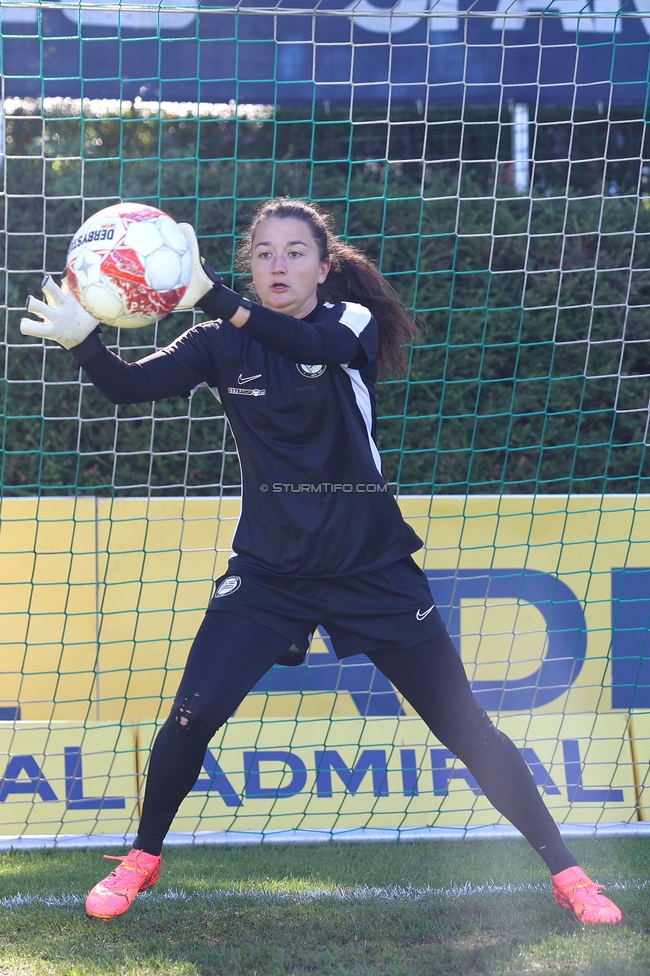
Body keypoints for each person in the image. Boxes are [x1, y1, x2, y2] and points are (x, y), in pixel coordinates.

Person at [21, 198, 622, 926]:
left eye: (295, 252)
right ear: (250, 261)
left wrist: (212, 291)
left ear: (323, 265)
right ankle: (141, 858)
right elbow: (133, 387)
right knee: (192, 716)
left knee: (465, 726)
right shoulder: (218, 341)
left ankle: (569, 874)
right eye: (266, 252)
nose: (279, 265)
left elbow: (312, 351)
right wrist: (86, 342)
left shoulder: (349, 325)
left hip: (371, 566)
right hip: (270, 571)